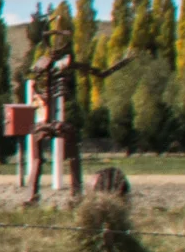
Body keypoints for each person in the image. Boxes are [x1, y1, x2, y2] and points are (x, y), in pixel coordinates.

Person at [22, 23, 129, 205]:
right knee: (68, 157)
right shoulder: (60, 64)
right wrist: (120, 63)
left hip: (44, 122)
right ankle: (74, 196)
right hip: (54, 121)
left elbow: (32, 79)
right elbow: (100, 73)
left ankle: (37, 196)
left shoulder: (44, 64)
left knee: (40, 158)